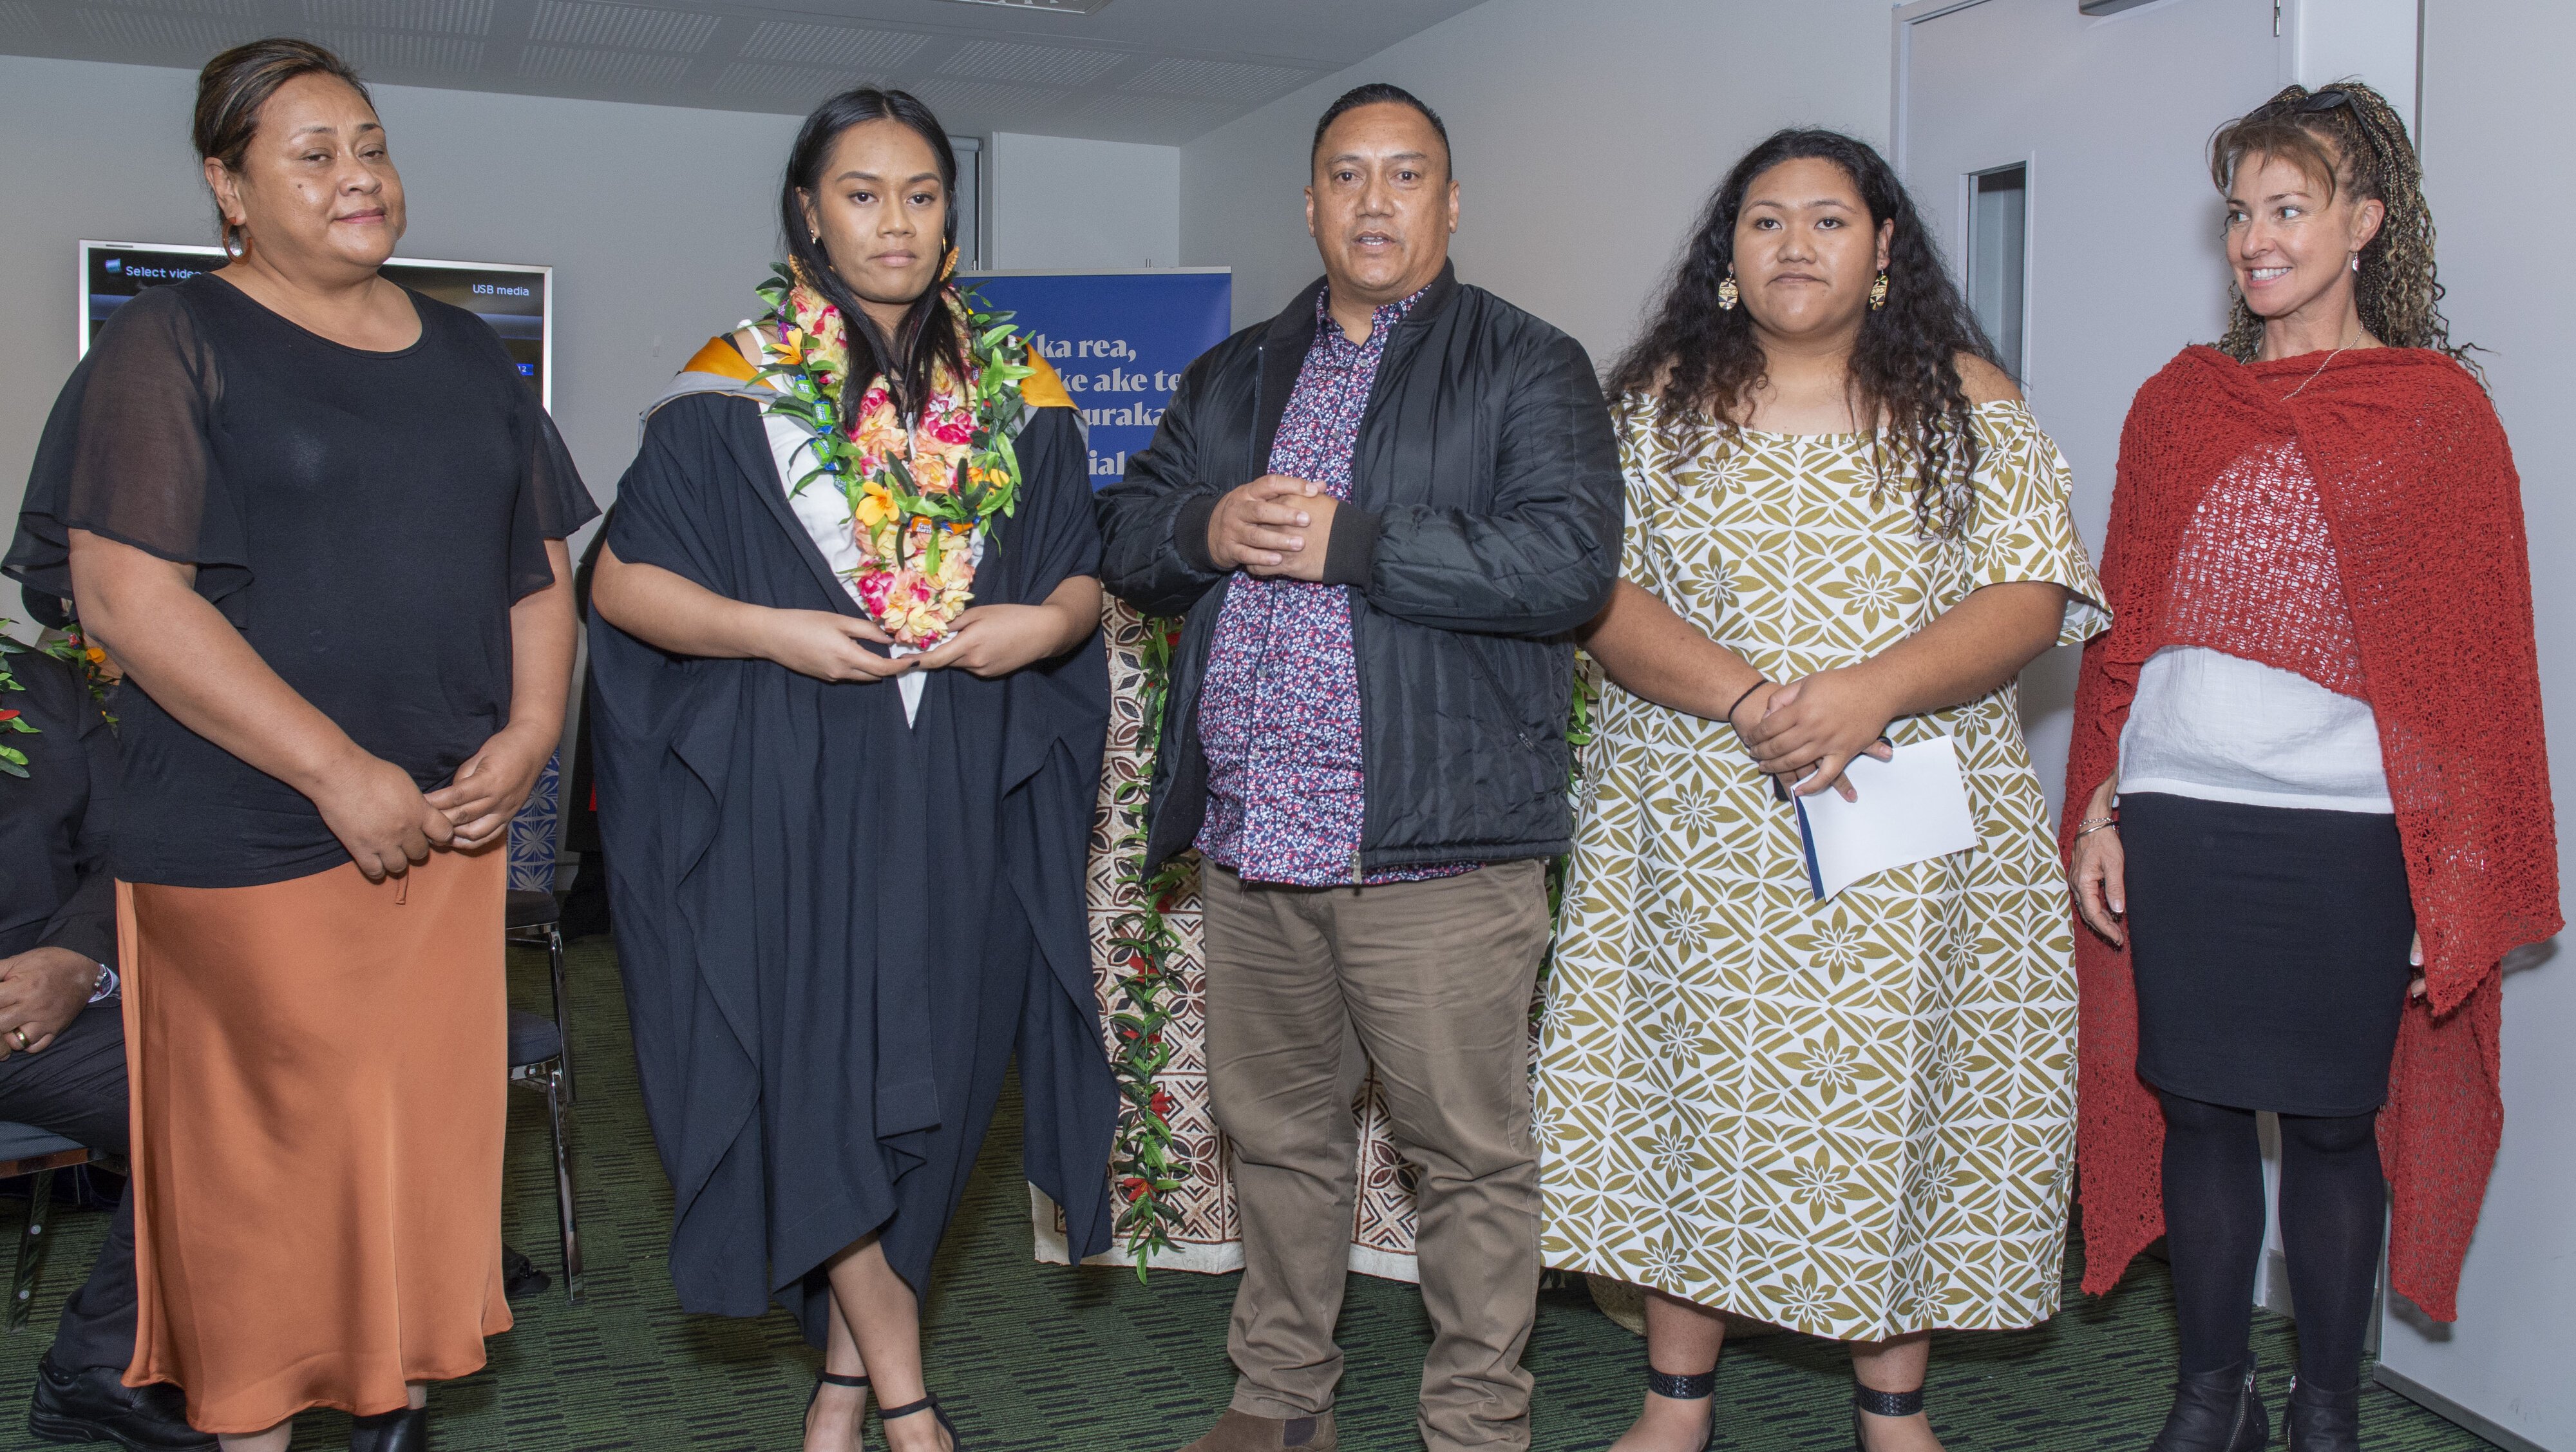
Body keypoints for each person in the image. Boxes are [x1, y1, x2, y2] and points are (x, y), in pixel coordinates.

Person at [3, 37, 594, 1451]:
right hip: (250, 844)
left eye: (370, 145)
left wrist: (530, 732)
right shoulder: (171, 343)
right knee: (263, 1207)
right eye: (311, 154)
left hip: (436, 842)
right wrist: (336, 768)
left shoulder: (464, 350)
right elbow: (126, 593)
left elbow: (537, 569)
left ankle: (376, 1404)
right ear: (229, 187)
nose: (358, 178)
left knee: (401, 1174)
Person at [1531, 129, 2107, 1452]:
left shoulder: (1966, 396)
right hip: (1689, 814)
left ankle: (1890, 1407)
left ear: (1884, 247)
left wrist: (1867, 692)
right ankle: (1673, 1402)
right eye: (1765, 219)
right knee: (1687, 1087)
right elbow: (1594, 594)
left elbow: (2030, 594)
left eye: (1829, 220)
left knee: (1891, 1085)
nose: (1796, 243)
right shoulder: (1652, 402)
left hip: (1904, 813)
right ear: (1724, 253)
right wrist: (1746, 697)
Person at [586, 88, 1117, 1452]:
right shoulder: (732, 389)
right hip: (794, 787)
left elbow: (1075, 575)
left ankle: (835, 1384)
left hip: (961, 795)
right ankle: (903, 1394)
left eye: (923, 193)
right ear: (807, 211)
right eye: (863, 191)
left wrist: (1044, 623)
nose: (895, 220)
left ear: (952, 217)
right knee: (818, 1081)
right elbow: (625, 584)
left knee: (936, 1087)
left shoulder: (1022, 397)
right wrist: (771, 632)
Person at [1097, 84, 1624, 1452]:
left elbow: (1566, 565)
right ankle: (1278, 1400)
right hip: (1253, 839)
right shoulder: (1232, 375)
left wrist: (1354, 540)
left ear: (1450, 205)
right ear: (1311, 203)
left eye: (1406, 177)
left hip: (1435, 850)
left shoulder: (1526, 364)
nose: (1374, 202)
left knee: (1465, 1159)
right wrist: (1209, 521)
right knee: (1275, 1141)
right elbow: (1130, 538)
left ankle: (1474, 1422)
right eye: (1347, 176)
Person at [2064, 82, 2557, 1452]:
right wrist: (2101, 798)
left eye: (2286, 208)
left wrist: (2444, 864)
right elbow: (2125, 638)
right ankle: (2207, 1394)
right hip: (2180, 809)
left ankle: (2325, 1408)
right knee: (2200, 1108)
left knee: (2338, 1124)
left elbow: (2470, 671)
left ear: (2361, 223)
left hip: (2348, 826)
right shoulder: (2177, 405)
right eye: (2238, 212)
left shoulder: (2435, 415)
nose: (2253, 240)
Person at [0, 636, 208, 1452]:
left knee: (247, 1082)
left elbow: (130, 836)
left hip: (65, 1001)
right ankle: (102, 1367)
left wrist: (79, 955)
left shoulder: (40, 682)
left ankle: (100, 1361)